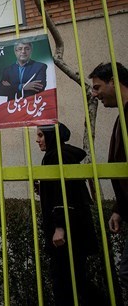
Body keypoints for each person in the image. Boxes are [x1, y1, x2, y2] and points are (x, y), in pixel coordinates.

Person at [35, 123, 100, 305]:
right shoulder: (59, 155)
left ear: (51, 136)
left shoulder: (58, 156)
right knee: (74, 280)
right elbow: (61, 190)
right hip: (74, 230)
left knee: (68, 282)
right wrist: (44, 189)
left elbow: (66, 194)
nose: (37, 140)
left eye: (41, 135)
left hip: (69, 233)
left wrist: (59, 227)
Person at [89, 62, 128, 292]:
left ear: (114, 81)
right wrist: (119, 209)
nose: (94, 94)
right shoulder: (120, 118)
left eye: (97, 87)